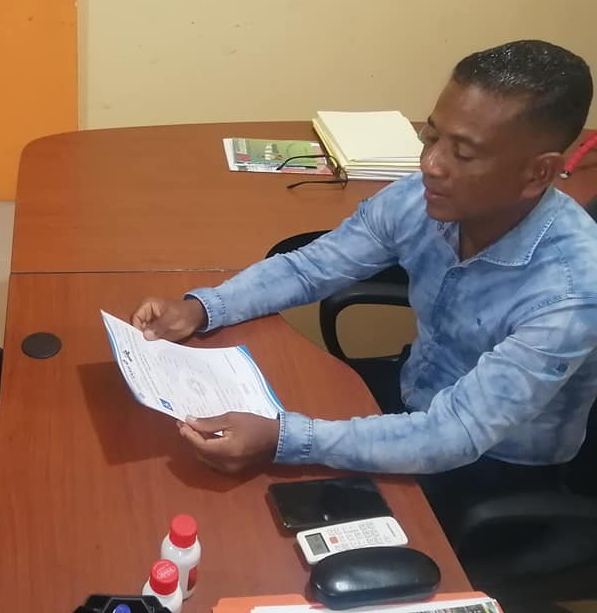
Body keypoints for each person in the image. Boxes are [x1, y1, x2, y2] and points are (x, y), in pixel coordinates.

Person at [132, 39, 597, 529]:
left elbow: (454, 434)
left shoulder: (571, 291)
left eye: (462, 153)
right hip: (413, 392)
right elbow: (312, 266)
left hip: (493, 466)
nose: (430, 165)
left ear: (538, 172)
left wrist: (283, 439)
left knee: (264, 521)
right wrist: (202, 308)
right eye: (431, 137)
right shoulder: (424, 198)